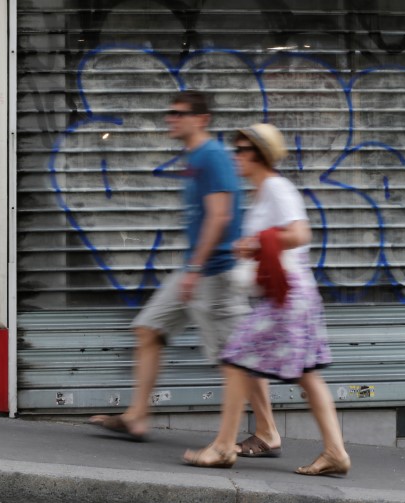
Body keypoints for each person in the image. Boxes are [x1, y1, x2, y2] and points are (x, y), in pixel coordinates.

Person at [90, 90, 276, 441]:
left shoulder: (213, 156)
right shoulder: (195, 157)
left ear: (201, 119)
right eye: (170, 112)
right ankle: (137, 416)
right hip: (197, 269)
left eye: (179, 113)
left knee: (237, 357)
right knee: (149, 329)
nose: (171, 118)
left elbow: (219, 216)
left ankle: (267, 431)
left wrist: (194, 268)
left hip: (216, 274)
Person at [182, 123, 350, 476]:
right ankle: (336, 453)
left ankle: (223, 448)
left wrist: (257, 243)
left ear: (260, 155)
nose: (235, 155)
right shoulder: (263, 193)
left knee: (234, 360)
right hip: (294, 295)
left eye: (242, 149)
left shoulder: (275, 187)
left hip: (286, 298)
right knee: (307, 375)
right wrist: (253, 247)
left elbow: (300, 232)